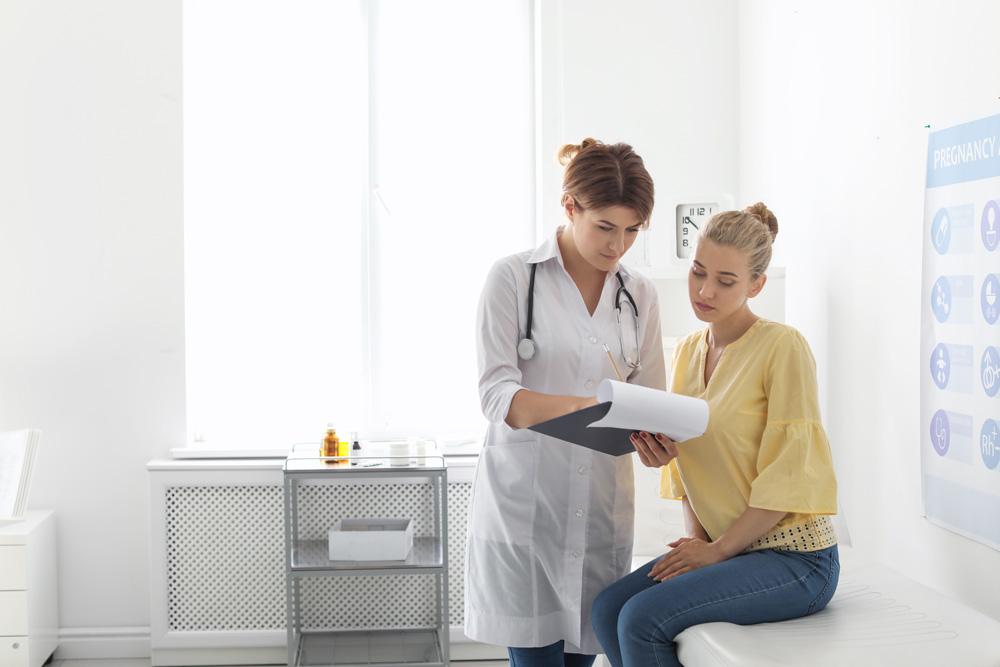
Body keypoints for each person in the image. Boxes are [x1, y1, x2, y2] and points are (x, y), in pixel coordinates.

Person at [591, 203, 840, 667]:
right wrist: (694, 536)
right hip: (730, 549)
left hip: (795, 559)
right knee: (607, 610)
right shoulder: (686, 352)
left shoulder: (782, 347)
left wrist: (718, 552)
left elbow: (789, 474)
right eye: (698, 272)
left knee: (640, 619)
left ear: (756, 285)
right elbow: (689, 463)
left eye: (726, 281)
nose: (705, 291)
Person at [466, 138, 667, 667]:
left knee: (583, 657)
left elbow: (649, 398)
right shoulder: (513, 278)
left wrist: (658, 440)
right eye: (605, 226)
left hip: (600, 507)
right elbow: (496, 393)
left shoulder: (639, 294)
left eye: (631, 230)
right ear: (570, 206)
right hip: (527, 508)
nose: (617, 245)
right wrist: (588, 408)